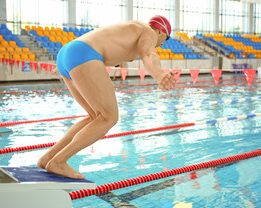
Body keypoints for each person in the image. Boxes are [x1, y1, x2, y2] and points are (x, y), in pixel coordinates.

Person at [37, 15, 176, 179]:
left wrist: (70, 62)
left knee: (95, 117)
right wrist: (159, 75)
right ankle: (58, 161)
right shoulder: (149, 32)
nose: (161, 44)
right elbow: (148, 55)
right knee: (109, 117)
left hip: (68, 53)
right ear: (160, 31)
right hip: (83, 54)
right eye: (164, 39)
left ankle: (48, 157)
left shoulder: (131, 28)